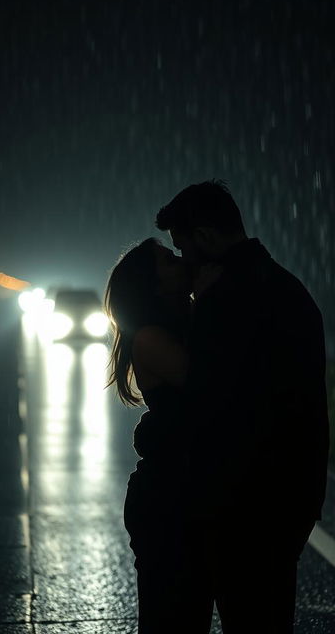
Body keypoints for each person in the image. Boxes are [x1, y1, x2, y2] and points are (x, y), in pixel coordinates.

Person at [154, 179, 330, 633]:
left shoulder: (225, 298)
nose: (182, 259)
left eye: (182, 246)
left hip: (242, 503)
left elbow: (208, 395)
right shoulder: (289, 288)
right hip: (289, 492)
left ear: (207, 239)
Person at [105, 237, 208, 633]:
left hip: (185, 496)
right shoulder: (149, 337)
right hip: (167, 503)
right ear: (153, 285)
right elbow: (210, 382)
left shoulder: (181, 321)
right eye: (168, 261)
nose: (181, 260)